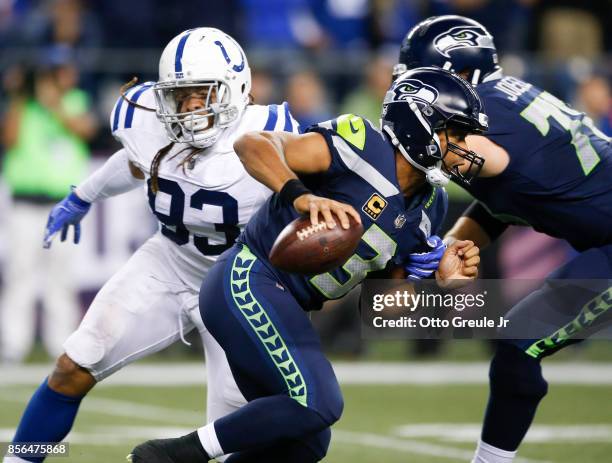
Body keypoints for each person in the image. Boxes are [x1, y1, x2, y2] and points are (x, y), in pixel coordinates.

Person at [129, 66, 485, 462]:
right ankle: (173, 456)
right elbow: (252, 145)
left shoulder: (429, 209)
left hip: (286, 305)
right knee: (320, 401)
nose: (466, 147)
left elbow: (379, 305)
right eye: (456, 134)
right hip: (247, 279)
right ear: (419, 124)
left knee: (307, 440)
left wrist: (437, 284)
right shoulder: (362, 143)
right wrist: (300, 195)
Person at [5, 27, 300, 463]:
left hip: (238, 284)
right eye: (182, 96)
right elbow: (136, 162)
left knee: (232, 430)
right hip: (169, 260)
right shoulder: (148, 125)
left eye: (204, 93)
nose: (192, 108)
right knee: (74, 365)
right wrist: (83, 196)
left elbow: (332, 187)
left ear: (236, 88)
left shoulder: (274, 134)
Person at [394, 15, 612, 463]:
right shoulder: (494, 100)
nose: (408, 88)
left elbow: (480, 161)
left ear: (453, 73)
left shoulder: (479, 130)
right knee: (516, 347)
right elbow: (502, 198)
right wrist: (451, 247)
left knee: (518, 343)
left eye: (418, 77)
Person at [0, 52, 97, 364]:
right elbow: (9, 139)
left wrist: (53, 103)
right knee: (20, 276)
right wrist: (17, 96)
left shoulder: (75, 102)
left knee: (61, 279)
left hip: (63, 206)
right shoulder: (24, 107)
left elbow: (84, 130)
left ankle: (62, 346)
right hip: (25, 203)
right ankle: (13, 346)